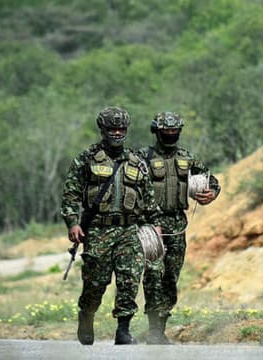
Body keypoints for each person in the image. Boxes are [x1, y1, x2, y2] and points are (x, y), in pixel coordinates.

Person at [61, 106, 163, 345]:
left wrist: (155, 225)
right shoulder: (86, 159)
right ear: (102, 129)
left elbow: (148, 198)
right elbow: (70, 195)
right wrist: (73, 223)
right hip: (98, 230)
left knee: (129, 278)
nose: (117, 133)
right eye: (112, 128)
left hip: (129, 230)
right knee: (96, 282)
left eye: (121, 128)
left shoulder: (136, 162)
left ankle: (123, 330)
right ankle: (86, 315)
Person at [138, 111, 220, 344]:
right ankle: (153, 328)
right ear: (157, 131)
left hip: (176, 225)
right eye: (167, 131)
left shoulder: (187, 157)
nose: (171, 135)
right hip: (150, 225)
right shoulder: (142, 157)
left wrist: (211, 193)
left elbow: (212, 182)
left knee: (170, 277)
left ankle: (159, 327)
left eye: (175, 131)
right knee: (153, 274)